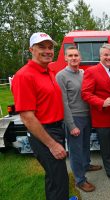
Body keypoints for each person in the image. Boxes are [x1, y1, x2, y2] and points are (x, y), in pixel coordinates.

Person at [11, 32, 72, 200]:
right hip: (44, 134)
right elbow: (27, 117)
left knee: (55, 176)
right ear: (31, 49)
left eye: (50, 47)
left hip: (55, 129)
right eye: (41, 47)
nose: (47, 51)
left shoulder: (48, 71)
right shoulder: (24, 76)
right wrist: (52, 144)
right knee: (58, 180)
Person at [56, 46, 102, 193]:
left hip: (86, 116)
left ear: (80, 57)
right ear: (65, 58)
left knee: (85, 145)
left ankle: (86, 165)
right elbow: (63, 102)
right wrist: (71, 125)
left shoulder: (83, 73)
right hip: (74, 117)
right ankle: (80, 180)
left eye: (76, 55)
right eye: (70, 55)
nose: (74, 58)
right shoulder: (61, 76)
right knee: (75, 150)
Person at [81, 43, 110, 184]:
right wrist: (102, 102)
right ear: (100, 56)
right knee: (106, 149)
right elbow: (85, 94)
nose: (109, 57)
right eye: (106, 55)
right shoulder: (92, 71)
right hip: (102, 118)